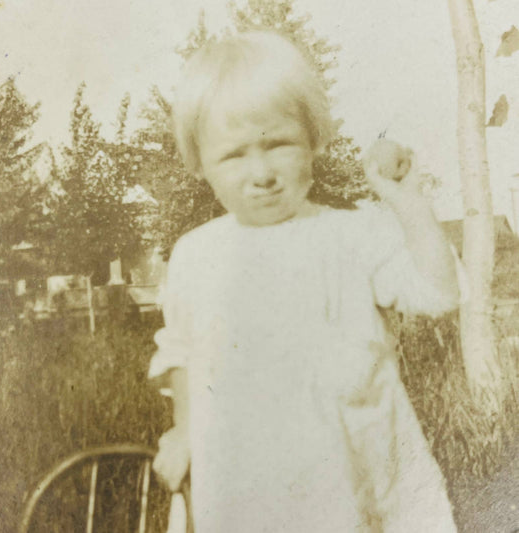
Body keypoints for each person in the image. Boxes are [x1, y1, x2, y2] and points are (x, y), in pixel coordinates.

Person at [149, 30, 459, 532]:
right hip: (243, 489)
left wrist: (406, 201)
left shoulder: (351, 235)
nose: (262, 172)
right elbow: (182, 353)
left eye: (279, 144)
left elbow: (438, 292)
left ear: (313, 139)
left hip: (353, 483)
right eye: (234, 155)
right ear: (198, 162)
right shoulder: (196, 256)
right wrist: (185, 431)